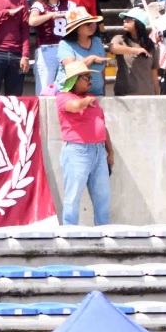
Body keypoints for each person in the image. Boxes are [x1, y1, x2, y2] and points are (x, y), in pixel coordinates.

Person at [55, 60, 113, 225]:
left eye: (90, 78)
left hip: (98, 151)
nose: (90, 81)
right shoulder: (63, 97)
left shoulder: (90, 98)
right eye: (86, 78)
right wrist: (86, 101)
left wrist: (110, 152)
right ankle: (70, 230)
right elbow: (74, 106)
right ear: (74, 80)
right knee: (73, 196)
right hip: (77, 151)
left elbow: (102, 126)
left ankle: (103, 231)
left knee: (103, 197)